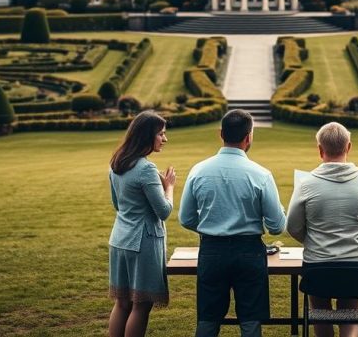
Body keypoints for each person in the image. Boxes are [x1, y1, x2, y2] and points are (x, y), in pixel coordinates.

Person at [179, 109, 286, 337]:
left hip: (212, 249)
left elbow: (186, 218)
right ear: (248, 137)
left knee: (208, 319)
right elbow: (277, 226)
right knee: (250, 321)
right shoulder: (261, 174)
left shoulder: (198, 171)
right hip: (249, 251)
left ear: (221, 134)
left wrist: (212, 223)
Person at [286, 122, 358, 337]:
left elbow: (293, 227)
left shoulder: (306, 184)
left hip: (318, 266)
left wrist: (313, 242)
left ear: (320, 150)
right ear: (348, 147)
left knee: (319, 310)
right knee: (351, 310)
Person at [108, 111, 176, 337]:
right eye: (161, 134)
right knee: (142, 304)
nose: (164, 139)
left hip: (119, 240)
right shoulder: (146, 168)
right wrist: (169, 187)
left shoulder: (116, 163)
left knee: (122, 303)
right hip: (142, 244)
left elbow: (118, 204)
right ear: (147, 135)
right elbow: (164, 211)